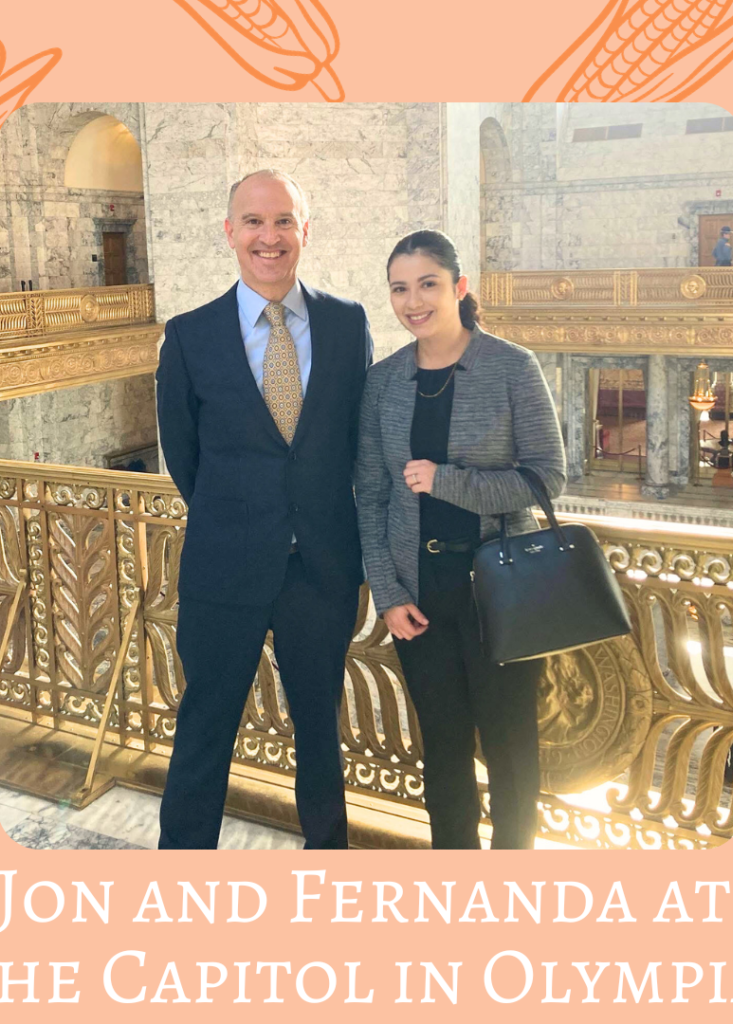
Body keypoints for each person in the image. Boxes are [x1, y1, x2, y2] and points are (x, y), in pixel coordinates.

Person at [155, 169, 373, 849]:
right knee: (204, 732)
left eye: (283, 221)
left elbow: (354, 444)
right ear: (230, 233)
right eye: (253, 222)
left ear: (305, 231)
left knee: (319, 732)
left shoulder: (347, 324)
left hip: (322, 570)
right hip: (225, 571)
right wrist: (244, 518)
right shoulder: (190, 337)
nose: (269, 236)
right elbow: (185, 458)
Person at [355, 230, 566, 850]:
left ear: (459, 288)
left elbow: (546, 476)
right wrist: (388, 595)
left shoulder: (511, 366)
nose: (413, 301)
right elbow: (370, 494)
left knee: (511, 754)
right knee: (443, 753)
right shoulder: (384, 381)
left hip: (500, 594)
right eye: (400, 288)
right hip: (420, 600)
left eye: (428, 285)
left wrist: (449, 483)